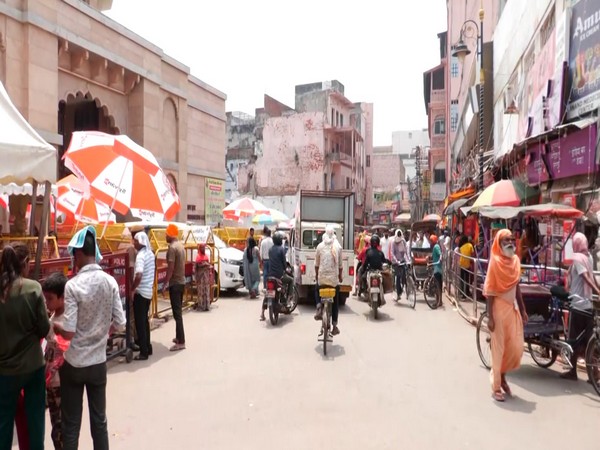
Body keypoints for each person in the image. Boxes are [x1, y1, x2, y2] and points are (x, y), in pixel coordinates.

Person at [53, 226, 126, 449]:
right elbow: (121, 323)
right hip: (97, 363)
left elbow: (70, 330)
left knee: (71, 425)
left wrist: (54, 328)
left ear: (78, 254)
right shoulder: (110, 282)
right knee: (99, 422)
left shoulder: (73, 286)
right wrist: (104, 332)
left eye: (73, 254)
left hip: (73, 364)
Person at [0, 243, 50, 450]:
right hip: (32, 366)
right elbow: (44, 328)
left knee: (3, 423)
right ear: (26, 264)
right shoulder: (33, 288)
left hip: (4, 370)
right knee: (35, 421)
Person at [483, 229, 527, 402]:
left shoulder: (515, 261)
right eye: (506, 240)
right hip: (498, 309)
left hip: (512, 308)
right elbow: (490, 291)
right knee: (499, 348)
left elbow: (517, 288)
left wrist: (523, 309)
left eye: (512, 239)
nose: (510, 242)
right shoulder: (494, 262)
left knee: (515, 348)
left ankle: (502, 375)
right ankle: (496, 386)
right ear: (499, 243)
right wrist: (490, 316)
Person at [561, 232, 600, 380]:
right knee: (589, 340)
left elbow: (585, 276)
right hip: (588, 304)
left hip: (577, 305)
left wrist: (597, 290)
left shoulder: (577, 258)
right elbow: (592, 277)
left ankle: (573, 372)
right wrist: (597, 290)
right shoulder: (588, 257)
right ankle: (593, 375)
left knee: (573, 339)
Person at [43, 272, 70, 450]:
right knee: (55, 424)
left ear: (62, 297)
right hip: (51, 383)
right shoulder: (52, 317)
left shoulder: (67, 322)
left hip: (61, 383)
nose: (47, 303)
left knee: (60, 429)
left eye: (50, 299)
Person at [161, 223, 187, 351]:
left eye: (166, 234)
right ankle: (178, 337)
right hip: (181, 282)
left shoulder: (172, 248)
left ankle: (181, 342)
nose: (165, 236)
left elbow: (170, 268)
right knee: (178, 312)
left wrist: (165, 283)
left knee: (177, 314)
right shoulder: (181, 246)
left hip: (175, 284)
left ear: (170, 235)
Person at [314, 225, 343, 335]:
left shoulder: (319, 246)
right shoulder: (338, 247)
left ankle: (318, 307)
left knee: (316, 288)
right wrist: (340, 277)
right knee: (335, 301)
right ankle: (335, 325)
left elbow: (316, 265)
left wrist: (317, 276)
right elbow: (340, 266)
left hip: (322, 279)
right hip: (333, 281)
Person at [132, 231, 155, 360]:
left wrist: (133, 288)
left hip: (140, 293)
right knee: (144, 321)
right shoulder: (151, 254)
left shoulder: (140, 256)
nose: (133, 243)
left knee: (140, 323)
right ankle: (148, 347)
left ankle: (143, 352)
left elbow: (139, 274)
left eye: (135, 240)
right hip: (148, 293)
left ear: (140, 242)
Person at [260, 232, 293, 321]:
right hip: (279, 276)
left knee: (268, 292)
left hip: (270, 275)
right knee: (290, 280)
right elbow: (283, 262)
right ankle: (289, 299)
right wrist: (286, 269)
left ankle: (262, 313)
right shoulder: (281, 249)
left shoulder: (270, 250)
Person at [363, 235, 388, 304]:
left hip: (377, 271)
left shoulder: (379, 252)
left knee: (384, 280)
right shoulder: (379, 252)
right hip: (374, 271)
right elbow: (365, 262)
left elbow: (385, 262)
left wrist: (363, 268)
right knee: (363, 278)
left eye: (375, 242)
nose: (374, 244)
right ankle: (366, 292)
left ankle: (366, 292)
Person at [390, 229, 408, 300]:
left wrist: (408, 259)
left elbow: (406, 252)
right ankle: (398, 293)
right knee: (398, 277)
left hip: (402, 261)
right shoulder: (393, 242)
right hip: (396, 262)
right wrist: (397, 261)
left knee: (404, 275)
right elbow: (392, 253)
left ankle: (406, 288)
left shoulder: (403, 241)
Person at [195, 243, 213, 311]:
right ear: (200, 249)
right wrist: (196, 277)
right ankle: (201, 306)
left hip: (206, 278)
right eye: (202, 248)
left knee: (206, 291)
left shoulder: (206, 256)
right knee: (201, 292)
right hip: (200, 277)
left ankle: (207, 306)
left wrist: (210, 275)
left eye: (204, 248)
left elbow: (209, 267)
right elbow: (196, 268)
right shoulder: (198, 257)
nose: (203, 249)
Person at [430, 234, 443, 305]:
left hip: (437, 268)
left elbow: (440, 254)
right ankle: (439, 301)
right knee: (438, 285)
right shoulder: (435, 247)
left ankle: (438, 301)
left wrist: (440, 259)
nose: (430, 242)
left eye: (431, 240)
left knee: (437, 285)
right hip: (436, 267)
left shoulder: (436, 246)